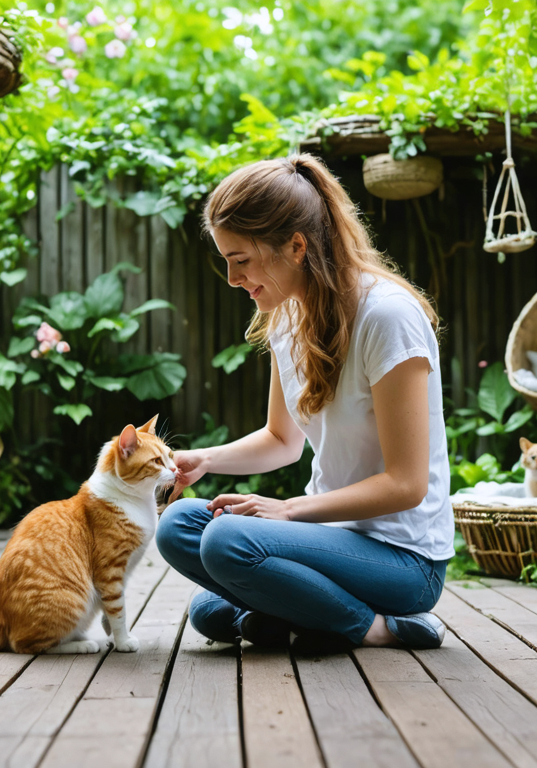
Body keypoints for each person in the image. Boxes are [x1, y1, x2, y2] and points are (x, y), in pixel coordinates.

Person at [157, 154, 453, 654]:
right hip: (326, 538)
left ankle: (375, 628)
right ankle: (308, 619)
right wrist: (205, 459)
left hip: (403, 560)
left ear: (296, 247)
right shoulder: (288, 319)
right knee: (179, 530)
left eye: (241, 260)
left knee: (226, 546)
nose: (231, 278)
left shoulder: (387, 317)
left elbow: (406, 484)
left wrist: (288, 511)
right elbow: (281, 440)